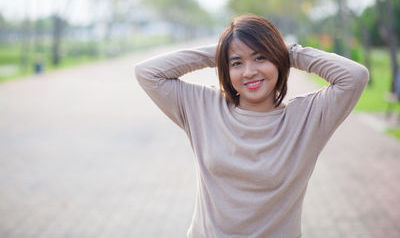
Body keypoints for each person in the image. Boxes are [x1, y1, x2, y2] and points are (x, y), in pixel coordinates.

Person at [135, 14, 369, 238]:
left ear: (278, 60)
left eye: (261, 58)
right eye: (237, 63)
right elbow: (147, 73)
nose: (249, 72)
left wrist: (288, 51)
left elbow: (355, 76)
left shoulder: (307, 118)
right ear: (226, 69)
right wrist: (222, 51)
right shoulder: (203, 106)